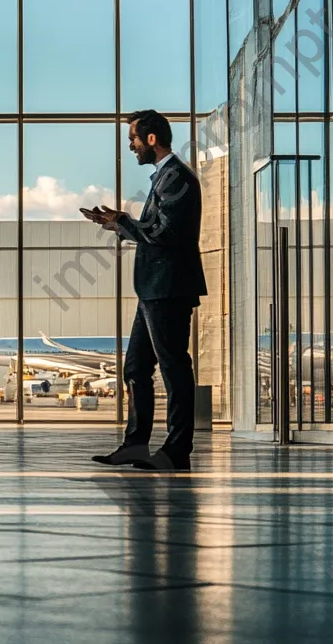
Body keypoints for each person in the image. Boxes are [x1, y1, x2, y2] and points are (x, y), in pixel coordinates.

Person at [81, 109, 206, 472]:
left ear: (152, 139)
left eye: (134, 138)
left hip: (167, 288)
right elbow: (157, 229)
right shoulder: (164, 177)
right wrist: (120, 224)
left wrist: (124, 223)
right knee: (136, 367)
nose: (131, 145)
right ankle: (136, 445)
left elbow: (167, 235)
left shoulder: (176, 177)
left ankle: (176, 450)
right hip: (153, 289)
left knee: (174, 367)